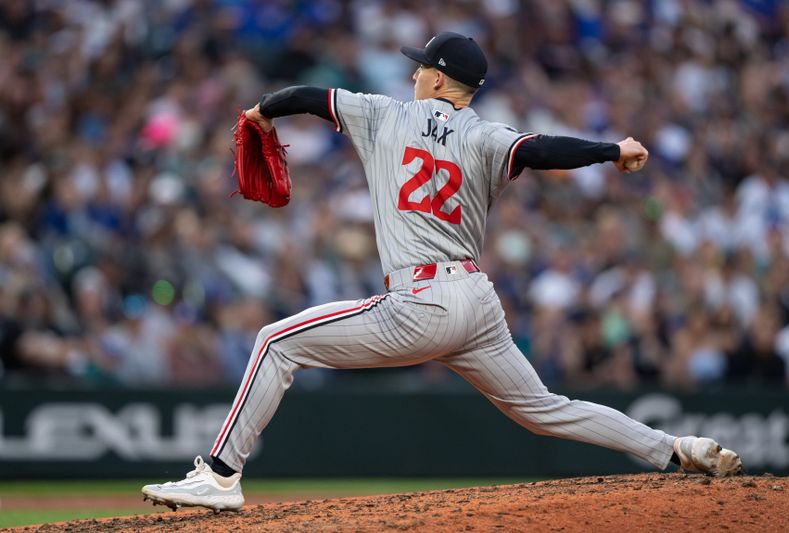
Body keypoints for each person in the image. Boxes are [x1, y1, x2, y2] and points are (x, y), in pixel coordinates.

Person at [142, 32, 741, 512]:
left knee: (275, 342)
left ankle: (220, 475)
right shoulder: (485, 135)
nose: (412, 74)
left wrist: (259, 112)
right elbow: (541, 148)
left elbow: (305, 95)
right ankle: (674, 449)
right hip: (476, 302)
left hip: (419, 301)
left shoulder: (382, 114)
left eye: (419, 66)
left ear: (435, 76)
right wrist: (611, 151)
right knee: (544, 408)